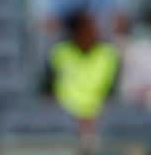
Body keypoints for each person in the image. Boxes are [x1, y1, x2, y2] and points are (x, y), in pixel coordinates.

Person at [40, 10, 120, 140]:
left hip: (100, 118)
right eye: (87, 28)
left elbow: (113, 93)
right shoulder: (59, 52)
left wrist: (93, 118)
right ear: (76, 32)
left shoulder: (108, 53)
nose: (93, 31)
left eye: (93, 26)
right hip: (63, 118)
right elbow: (47, 92)